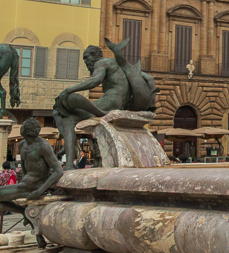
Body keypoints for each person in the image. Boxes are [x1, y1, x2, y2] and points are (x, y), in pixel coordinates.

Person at [53, 38, 157, 169]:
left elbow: (95, 81)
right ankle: (67, 150)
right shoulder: (120, 64)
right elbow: (150, 78)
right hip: (121, 103)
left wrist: (69, 90)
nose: (85, 62)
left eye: (86, 58)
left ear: (95, 56)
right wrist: (151, 105)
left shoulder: (100, 64)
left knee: (69, 120)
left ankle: (68, 164)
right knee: (69, 118)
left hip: (111, 100)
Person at [0, 118, 63, 242]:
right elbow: (24, 166)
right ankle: (24, 212)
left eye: (23, 126)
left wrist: (40, 190)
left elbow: (58, 171)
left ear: (26, 130)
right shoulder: (22, 144)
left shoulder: (43, 146)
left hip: (35, 186)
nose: (21, 128)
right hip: (24, 184)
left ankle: (27, 215)